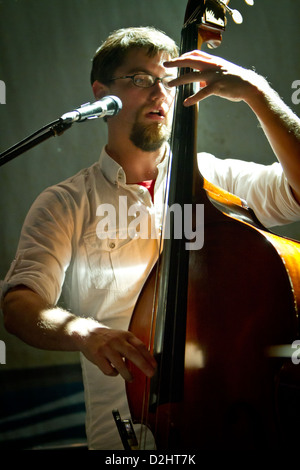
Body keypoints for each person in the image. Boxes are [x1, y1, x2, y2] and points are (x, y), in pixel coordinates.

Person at [2, 26, 300, 450]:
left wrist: (257, 92)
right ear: (100, 94)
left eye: (168, 80)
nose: (160, 92)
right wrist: (85, 334)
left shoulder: (219, 180)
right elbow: (18, 306)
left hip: (230, 419)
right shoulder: (65, 203)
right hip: (124, 436)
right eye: (141, 79)